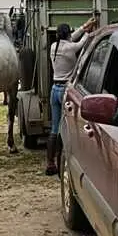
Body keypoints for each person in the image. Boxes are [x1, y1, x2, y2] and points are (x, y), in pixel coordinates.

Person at [45, 16, 98, 175]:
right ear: (67, 34)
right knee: (67, 127)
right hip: (65, 91)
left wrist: (84, 26)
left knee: (54, 128)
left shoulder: (54, 46)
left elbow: (72, 39)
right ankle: (64, 162)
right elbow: (81, 43)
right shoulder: (69, 48)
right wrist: (90, 31)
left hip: (54, 89)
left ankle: (50, 163)